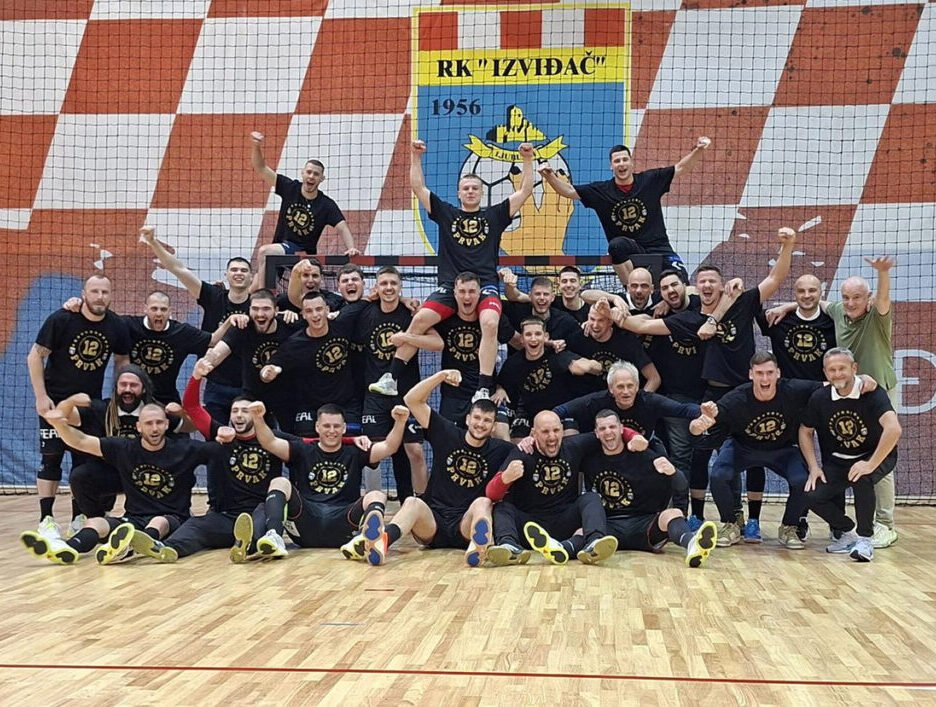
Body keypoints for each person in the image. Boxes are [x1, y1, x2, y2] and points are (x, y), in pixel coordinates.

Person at [369, 139, 534, 402]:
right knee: (420, 320)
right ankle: (391, 377)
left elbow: (525, 191)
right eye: (466, 188)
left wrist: (527, 159)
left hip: (484, 285)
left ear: (482, 192)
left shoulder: (494, 216)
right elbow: (418, 187)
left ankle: (484, 386)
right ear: (459, 193)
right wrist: (415, 155)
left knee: (490, 322)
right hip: (450, 285)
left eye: (475, 188)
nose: (470, 191)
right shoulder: (447, 214)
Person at [768, 256, 899, 549]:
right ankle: (843, 529)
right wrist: (786, 306)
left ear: (867, 298)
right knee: (839, 457)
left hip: (876, 388)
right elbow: (814, 303)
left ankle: (885, 524)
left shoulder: (877, 317)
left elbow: (883, 300)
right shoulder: (839, 310)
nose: (851, 303)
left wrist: (883, 273)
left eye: (858, 297)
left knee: (878, 457)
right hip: (845, 390)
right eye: (847, 297)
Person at [344, 369, 516, 567]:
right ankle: (382, 541)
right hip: (433, 523)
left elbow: (525, 455)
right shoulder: (447, 433)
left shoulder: (502, 449)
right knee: (412, 502)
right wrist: (440, 376)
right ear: (468, 419)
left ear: (493, 427)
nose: (480, 424)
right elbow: (411, 400)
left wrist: (529, 441)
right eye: (477, 418)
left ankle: (477, 548)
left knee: (483, 502)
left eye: (487, 421)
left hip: (465, 524)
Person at [20, 403, 214, 565]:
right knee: (95, 522)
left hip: (173, 519)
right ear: (139, 427)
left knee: (159, 521)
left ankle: (132, 547)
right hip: (134, 519)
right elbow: (81, 441)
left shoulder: (184, 449)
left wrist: (222, 434)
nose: (154, 428)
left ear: (166, 425)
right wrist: (59, 425)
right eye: (149, 423)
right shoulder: (125, 448)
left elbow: (217, 452)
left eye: (159, 423)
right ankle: (67, 548)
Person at [688, 351, 845, 549]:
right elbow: (699, 428)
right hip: (742, 448)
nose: (765, 379)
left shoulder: (793, 389)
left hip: (782, 450)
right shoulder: (736, 398)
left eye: (769, 373)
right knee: (719, 475)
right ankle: (730, 524)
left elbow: (829, 386)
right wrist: (697, 426)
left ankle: (789, 527)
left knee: (802, 481)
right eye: (759, 373)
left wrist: (861, 381)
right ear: (751, 374)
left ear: (778, 373)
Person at [27, 273, 130, 531]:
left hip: (88, 407)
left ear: (111, 295)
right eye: (94, 291)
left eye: (105, 292)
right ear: (84, 294)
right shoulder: (62, 319)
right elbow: (35, 356)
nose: (100, 297)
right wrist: (41, 396)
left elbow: (122, 361)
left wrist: (116, 399)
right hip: (54, 403)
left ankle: (79, 518)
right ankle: (46, 519)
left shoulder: (116, 325)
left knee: (84, 461)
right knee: (51, 458)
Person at [242, 401, 406, 562]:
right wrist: (258, 418)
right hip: (306, 523)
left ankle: (364, 541)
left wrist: (400, 422)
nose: (332, 431)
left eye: (336, 426)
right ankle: (274, 536)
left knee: (377, 495)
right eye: (326, 426)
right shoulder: (302, 449)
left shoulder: (356, 452)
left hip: (344, 526)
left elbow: (389, 447)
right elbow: (270, 442)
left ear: (344, 428)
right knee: (279, 482)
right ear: (317, 427)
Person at [538, 137, 711, 286]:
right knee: (616, 245)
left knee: (683, 283)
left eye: (624, 159)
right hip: (629, 251)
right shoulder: (602, 191)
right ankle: (631, 293)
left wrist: (699, 149)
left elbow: (681, 168)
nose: (621, 164)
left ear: (631, 162)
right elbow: (568, 191)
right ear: (611, 166)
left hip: (659, 247)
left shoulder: (650, 181)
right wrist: (548, 176)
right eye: (617, 161)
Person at [163, 361, 283, 561]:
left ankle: (245, 546)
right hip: (226, 516)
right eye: (234, 411)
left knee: (261, 519)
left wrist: (340, 439)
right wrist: (196, 376)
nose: (238, 415)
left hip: (258, 511)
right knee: (195, 525)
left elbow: (308, 444)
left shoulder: (273, 440)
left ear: (256, 414)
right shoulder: (220, 434)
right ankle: (166, 549)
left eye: (245, 411)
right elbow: (192, 407)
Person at [484, 411, 638, 566]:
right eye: (545, 432)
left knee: (590, 498)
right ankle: (509, 547)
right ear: (534, 434)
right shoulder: (522, 452)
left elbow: (607, 433)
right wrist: (505, 478)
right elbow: (491, 493)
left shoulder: (574, 445)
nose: (552, 437)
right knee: (502, 507)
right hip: (531, 526)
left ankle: (594, 542)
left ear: (563, 431)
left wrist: (633, 436)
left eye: (556, 430)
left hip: (565, 522)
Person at [139, 226, 253, 422]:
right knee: (214, 435)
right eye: (234, 269)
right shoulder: (213, 296)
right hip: (216, 384)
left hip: (248, 385)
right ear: (226, 275)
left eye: (244, 270)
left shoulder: (257, 305)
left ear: (251, 277)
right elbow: (178, 269)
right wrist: (153, 242)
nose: (239, 273)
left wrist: (286, 313)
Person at [801, 348, 901, 562]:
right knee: (809, 494)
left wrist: (870, 464)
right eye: (832, 370)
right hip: (839, 461)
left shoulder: (872, 393)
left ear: (854, 368)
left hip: (875, 456)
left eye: (842, 368)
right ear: (825, 373)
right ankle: (848, 532)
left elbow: (894, 429)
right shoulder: (820, 397)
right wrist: (814, 467)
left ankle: (865, 540)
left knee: (861, 478)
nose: (837, 374)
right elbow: (805, 431)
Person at [583, 409, 718, 567]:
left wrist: (673, 472)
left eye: (612, 427)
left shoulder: (645, 456)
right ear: (596, 433)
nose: (608, 432)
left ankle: (692, 543)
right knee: (582, 529)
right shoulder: (589, 458)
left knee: (673, 513)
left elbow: (681, 485)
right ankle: (565, 549)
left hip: (645, 524)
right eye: (602, 428)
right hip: (607, 526)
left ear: (622, 429)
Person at [387, 272, 517, 426]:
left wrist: (502, 386)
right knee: (448, 437)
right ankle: (390, 377)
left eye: (472, 292)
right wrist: (404, 307)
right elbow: (434, 341)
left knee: (500, 433)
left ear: (480, 294)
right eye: (462, 292)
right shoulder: (443, 319)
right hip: (453, 395)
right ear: (454, 293)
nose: (467, 297)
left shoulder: (493, 320)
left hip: (486, 392)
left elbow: (519, 347)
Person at [249, 131, 359, 291]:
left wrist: (351, 247)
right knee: (253, 287)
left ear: (321, 179)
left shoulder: (326, 204)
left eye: (316, 174)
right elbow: (261, 168)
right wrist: (256, 146)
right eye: (309, 172)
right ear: (303, 173)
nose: (311, 176)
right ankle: (256, 297)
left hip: (303, 252)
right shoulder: (290, 188)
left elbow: (342, 227)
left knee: (265, 251)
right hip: (281, 249)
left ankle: (265, 298)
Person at [260, 291, 361, 435]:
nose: (315, 315)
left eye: (319, 309)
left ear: (327, 310)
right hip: (311, 407)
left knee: (354, 439)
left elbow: (364, 303)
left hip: (346, 402)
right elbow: (269, 368)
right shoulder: (295, 343)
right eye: (309, 311)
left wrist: (376, 297)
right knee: (305, 443)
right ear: (303, 315)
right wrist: (267, 373)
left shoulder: (342, 325)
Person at [199, 289, 298, 427]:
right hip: (252, 395)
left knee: (287, 436)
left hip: (285, 395)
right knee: (247, 434)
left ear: (276, 311)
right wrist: (208, 361)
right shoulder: (242, 328)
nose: (260, 314)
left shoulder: (290, 325)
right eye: (255, 309)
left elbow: (317, 323)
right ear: (249, 310)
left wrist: (329, 315)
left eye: (266, 309)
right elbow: (219, 352)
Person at [496, 318, 601, 442]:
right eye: (528, 334)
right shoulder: (513, 363)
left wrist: (588, 366)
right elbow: (500, 383)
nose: (533, 338)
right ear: (522, 339)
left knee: (570, 438)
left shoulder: (557, 356)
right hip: (528, 413)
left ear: (545, 337)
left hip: (559, 412)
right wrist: (500, 389)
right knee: (517, 445)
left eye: (538, 334)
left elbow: (598, 368)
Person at [565, 299, 660, 395]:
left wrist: (640, 400)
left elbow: (654, 379)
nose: (595, 325)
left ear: (610, 322)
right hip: (588, 399)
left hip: (622, 397)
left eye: (601, 320)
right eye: (592, 319)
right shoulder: (577, 339)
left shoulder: (627, 341)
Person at [757, 274, 835, 381]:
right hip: (787, 388)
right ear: (795, 294)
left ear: (821, 293)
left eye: (812, 290)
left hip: (821, 388)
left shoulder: (833, 322)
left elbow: (847, 309)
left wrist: (789, 306)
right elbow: (749, 303)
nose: (806, 295)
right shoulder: (776, 319)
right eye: (801, 291)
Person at [500, 271, 582, 346]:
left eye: (546, 294)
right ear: (530, 296)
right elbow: (494, 304)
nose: (542, 298)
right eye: (537, 294)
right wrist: (503, 274)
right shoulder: (516, 311)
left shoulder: (565, 321)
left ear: (552, 297)